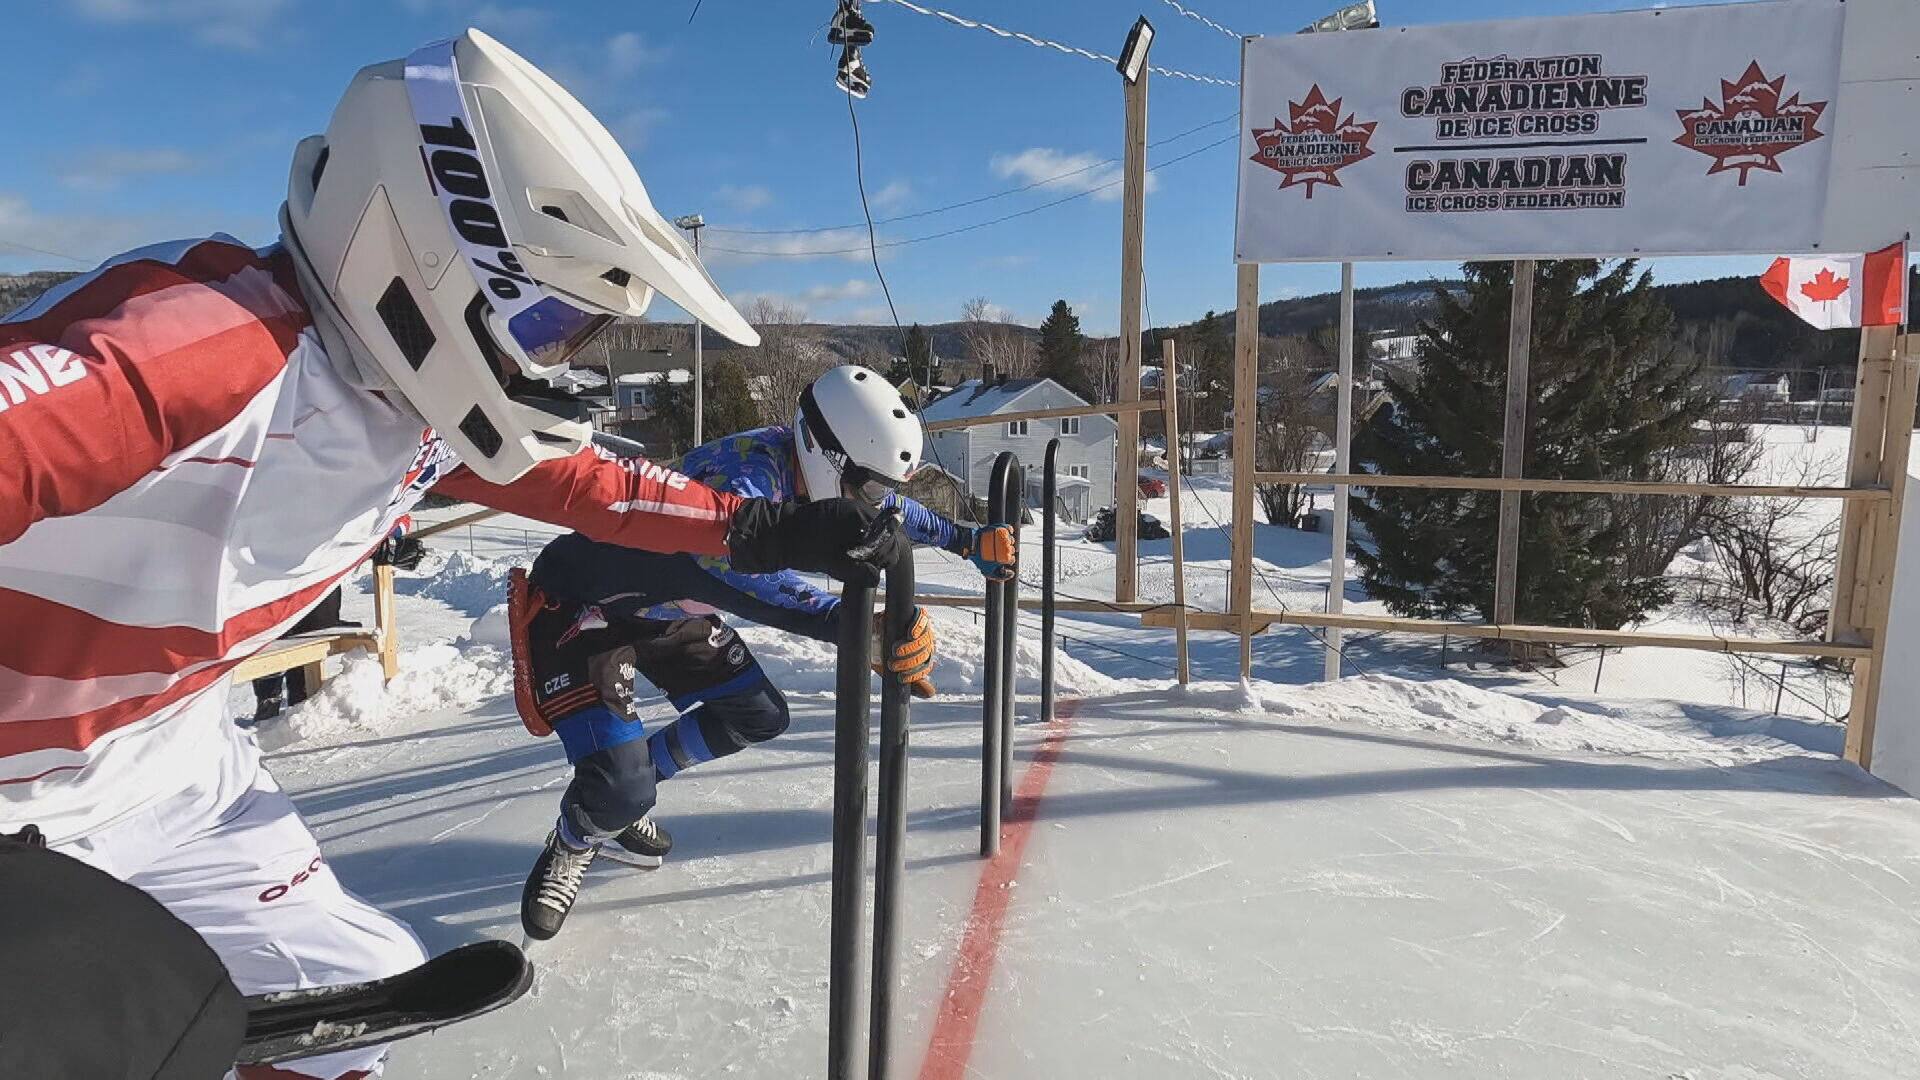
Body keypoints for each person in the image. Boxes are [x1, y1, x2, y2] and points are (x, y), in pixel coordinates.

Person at [0, 30, 900, 1080]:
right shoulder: (204, 349)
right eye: (561, 326)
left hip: (167, 765)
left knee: (352, 1019)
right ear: (432, 258)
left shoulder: (409, 403)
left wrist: (751, 529)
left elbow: (582, 482)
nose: (570, 366)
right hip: (20, 790)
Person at [507, 365, 1019, 939]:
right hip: (582, 609)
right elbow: (755, 590)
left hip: (667, 607)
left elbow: (886, 521)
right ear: (831, 457)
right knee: (620, 786)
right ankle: (577, 836)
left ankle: (624, 796)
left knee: (758, 714)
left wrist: (964, 539)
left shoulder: (804, 460)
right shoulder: (740, 486)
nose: (877, 502)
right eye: (871, 487)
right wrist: (860, 628)